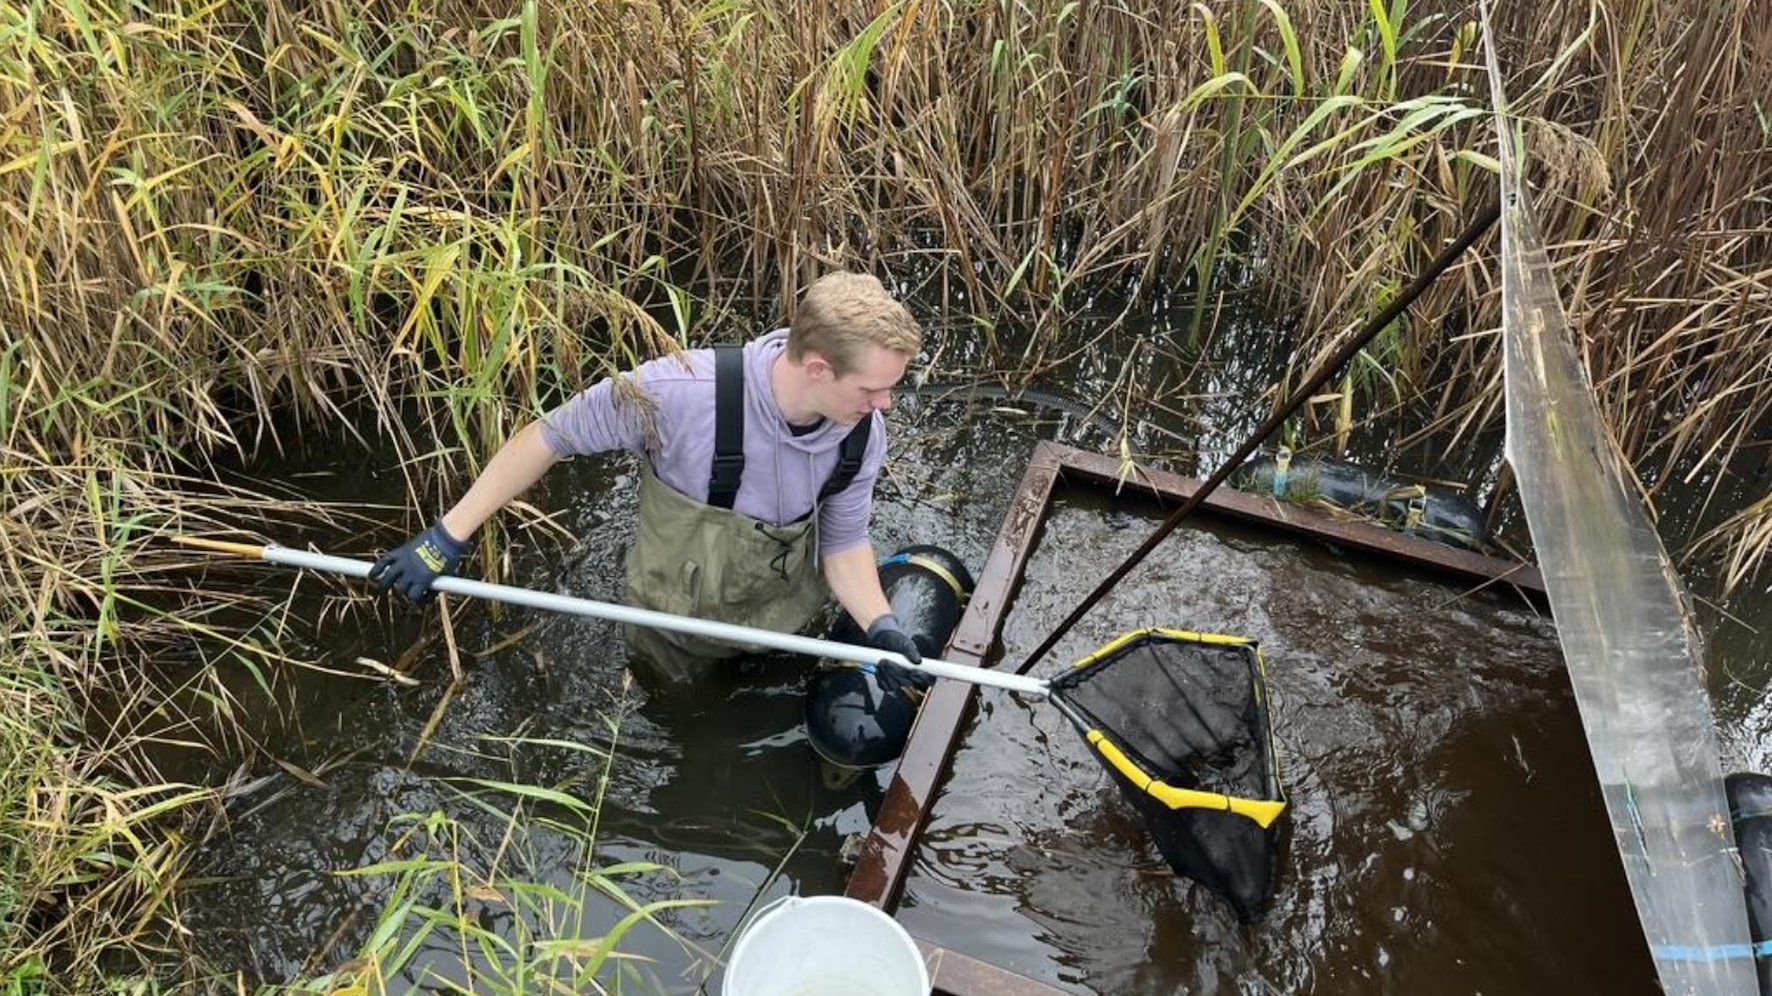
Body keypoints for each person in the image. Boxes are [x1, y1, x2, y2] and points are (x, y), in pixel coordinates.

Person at [368, 271, 929, 692]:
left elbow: (844, 543)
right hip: (671, 630)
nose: (884, 404)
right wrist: (448, 536)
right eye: (871, 389)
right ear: (817, 369)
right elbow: (546, 438)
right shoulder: (676, 393)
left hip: (781, 622)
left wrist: (879, 624)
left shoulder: (861, 431)